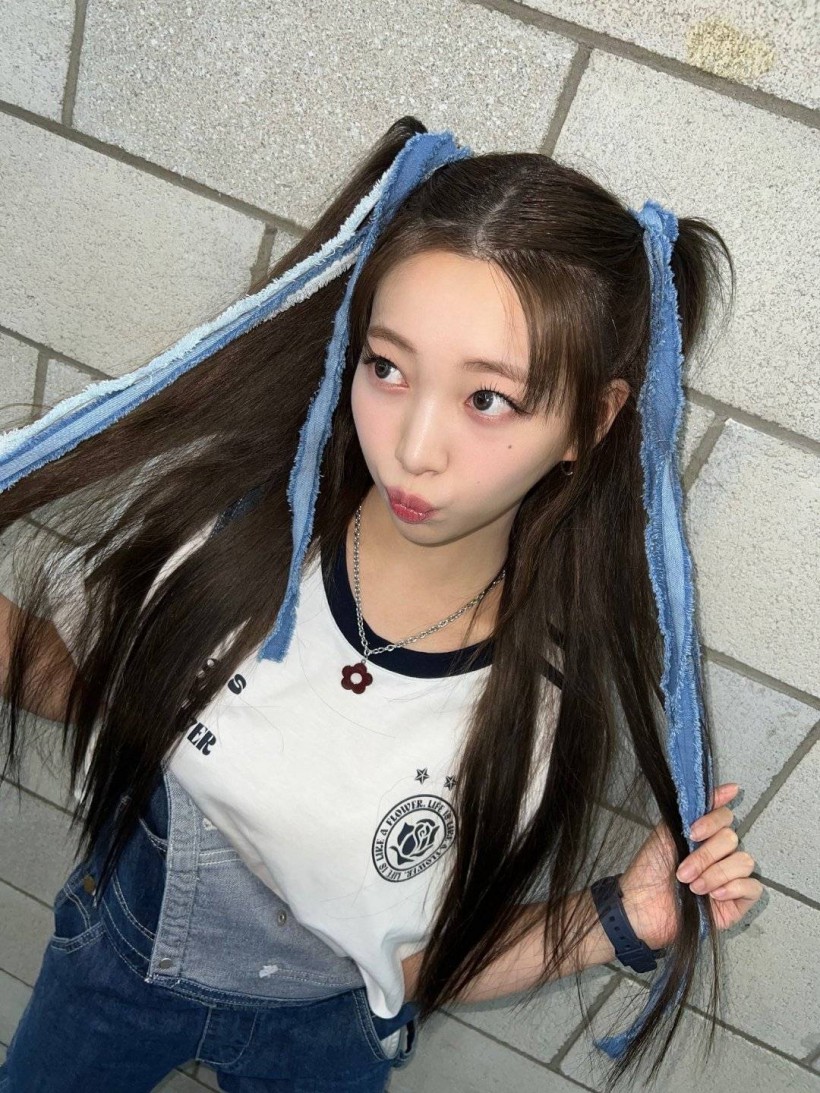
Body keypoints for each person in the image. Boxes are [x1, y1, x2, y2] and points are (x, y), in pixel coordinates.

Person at [0, 117, 763, 1092]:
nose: (412, 447)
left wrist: (624, 916)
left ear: (593, 421)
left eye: (487, 399)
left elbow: (417, 964)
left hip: (322, 1036)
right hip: (118, 966)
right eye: (387, 367)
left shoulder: (533, 703)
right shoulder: (237, 543)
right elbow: (86, 686)